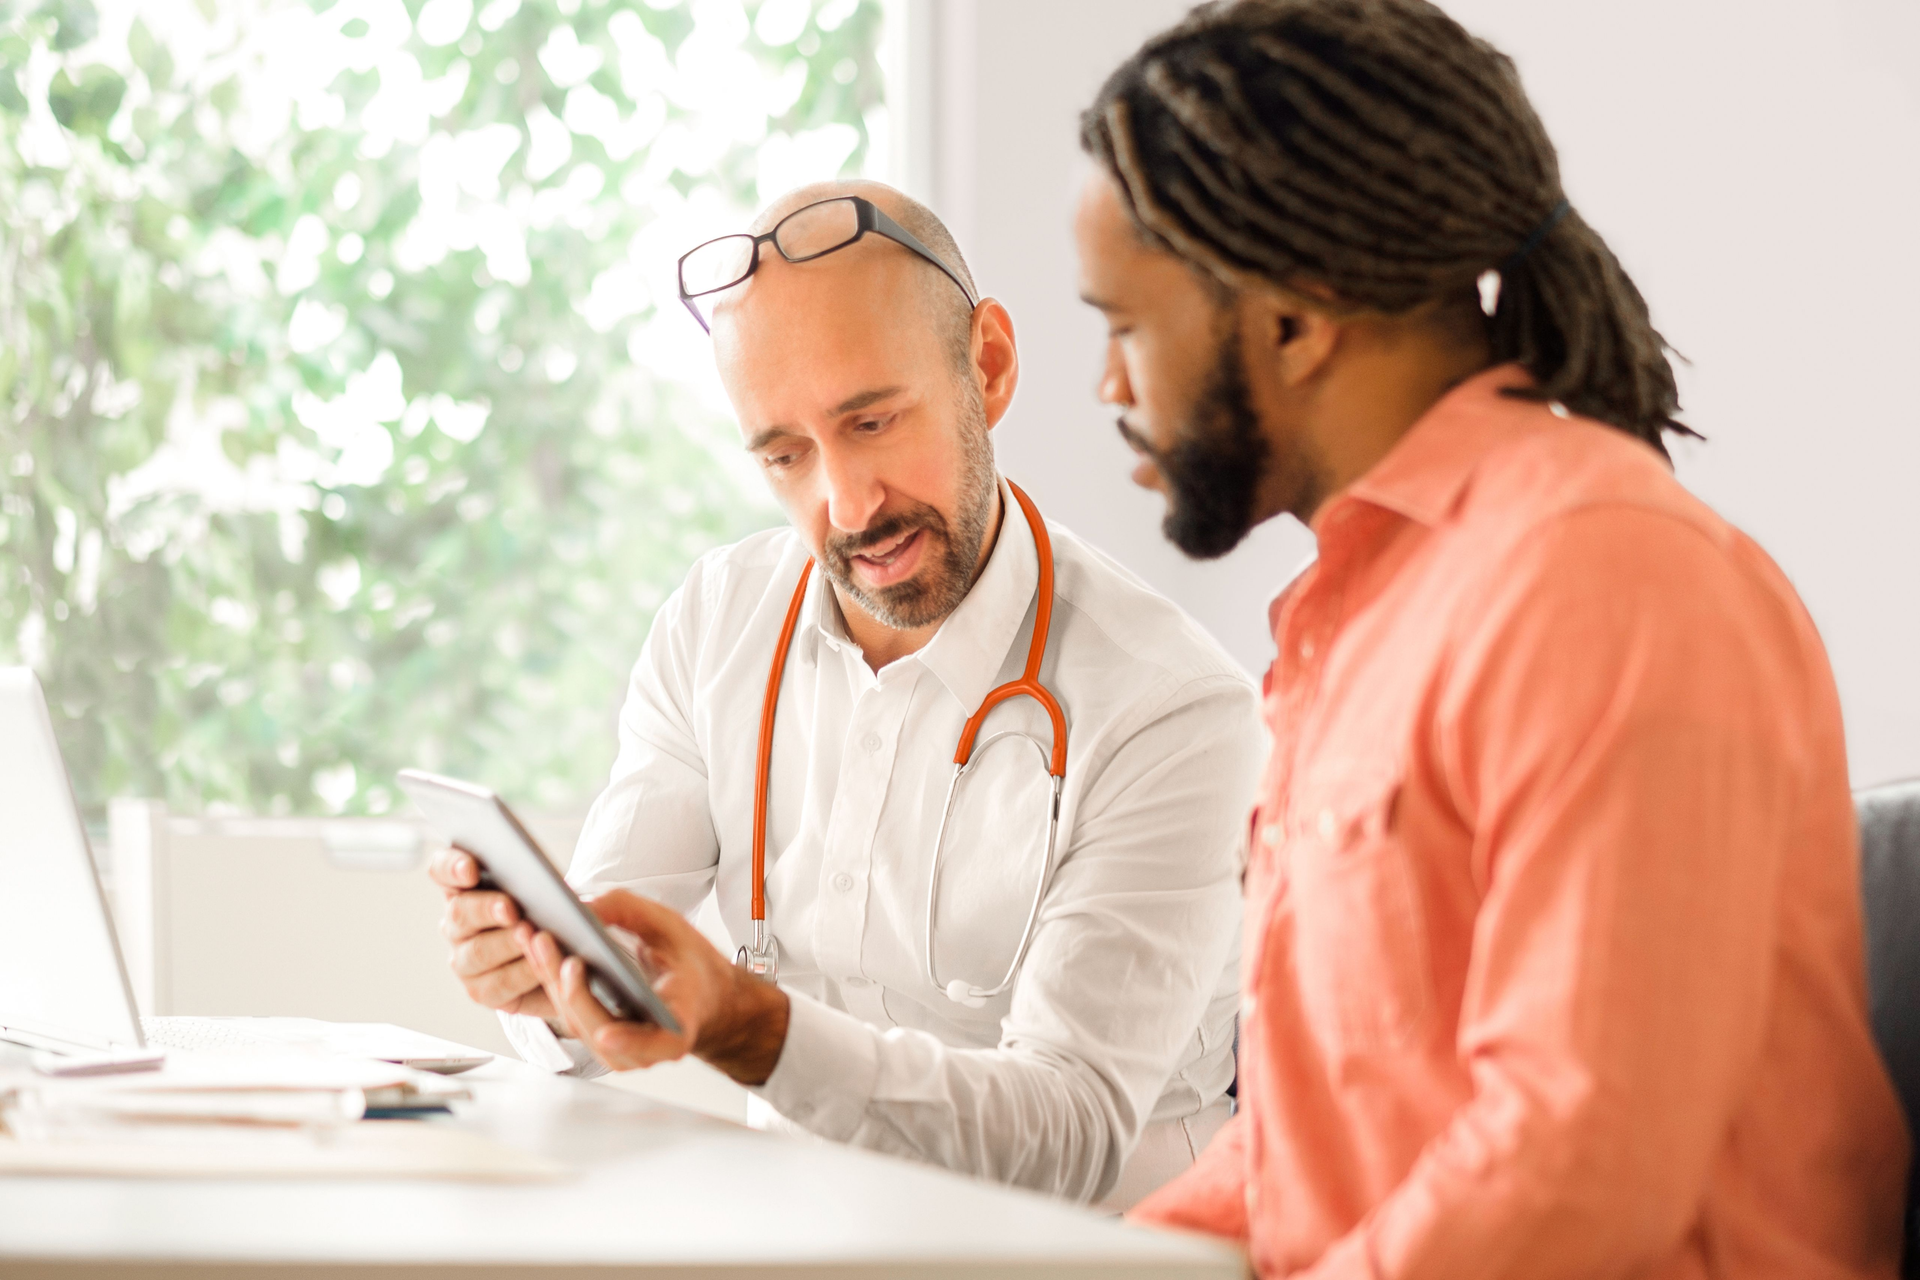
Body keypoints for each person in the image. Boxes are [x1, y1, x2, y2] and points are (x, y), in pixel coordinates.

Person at [1070, 0, 1909, 1273]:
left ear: (1295, 322)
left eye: (1125, 327)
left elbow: (1579, 1165)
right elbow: (1324, 1133)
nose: (1110, 388)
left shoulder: (1600, 581)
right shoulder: (1369, 608)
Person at [429, 178, 1266, 1207]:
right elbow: (611, 978)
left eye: (871, 421)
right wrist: (550, 983)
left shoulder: (1174, 710)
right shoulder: (717, 622)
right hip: (802, 1240)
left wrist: (747, 1020)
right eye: (786, 453)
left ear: (988, 366)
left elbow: (1070, 1130)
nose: (847, 504)